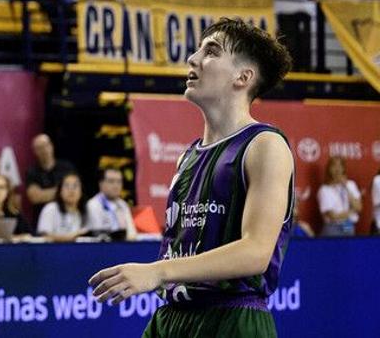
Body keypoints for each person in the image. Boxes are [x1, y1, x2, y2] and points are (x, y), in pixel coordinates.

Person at [90, 19, 295, 337]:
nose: (193, 58)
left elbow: (256, 252)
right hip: (172, 318)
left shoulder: (265, 145)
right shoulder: (189, 155)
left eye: (211, 51)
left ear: (243, 77)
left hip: (232, 320)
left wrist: (158, 272)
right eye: (198, 49)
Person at [25, 133, 76, 215]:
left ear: (52, 146)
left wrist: (44, 193)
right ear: (35, 151)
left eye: (46, 145)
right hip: (43, 217)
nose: (44, 150)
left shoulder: (67, 168)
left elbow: (75, 192)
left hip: (67, 215)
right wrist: (62, 190)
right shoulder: (32, 172)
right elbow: (35, 197)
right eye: (40, 148)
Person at [85, 169, 138, 241]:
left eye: (119, 182)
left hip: (123, 245)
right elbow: (99, 234)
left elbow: (132, 233)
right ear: (101, 184)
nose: (116, 186)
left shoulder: (123, 205)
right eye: (111, 181)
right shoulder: (93, 205)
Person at [317, 156, 362, 237]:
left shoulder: (350, 185)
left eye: (340, 166)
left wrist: (346, 187)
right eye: (334, 166)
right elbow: (333, 216)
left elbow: (358, 207)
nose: (337, 169)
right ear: (329, 169)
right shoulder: (324, 190)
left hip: (348, 225)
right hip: (333, 227)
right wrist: (351, 212)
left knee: (349, 248)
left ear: (343, 168)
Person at [36, 172, 87, 242]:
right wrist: (71, 237)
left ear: (81, 192)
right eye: (67, 186)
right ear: (60, 191)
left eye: (75, 186)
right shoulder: (50, 209)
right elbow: (45, 236)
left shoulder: (85, 213)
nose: (71, 190)